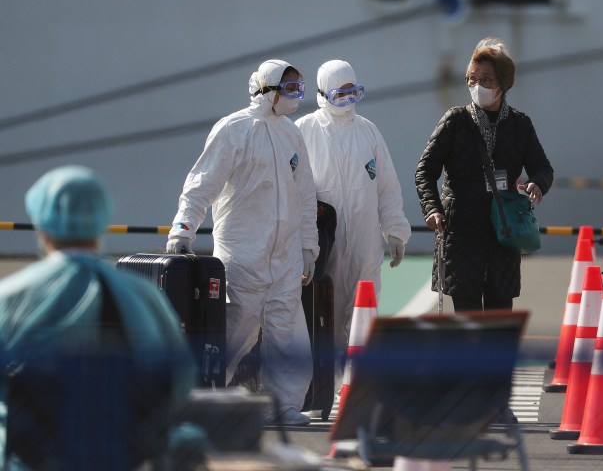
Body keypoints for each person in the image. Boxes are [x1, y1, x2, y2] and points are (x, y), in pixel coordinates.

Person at [0, 166, 196, 469]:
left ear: (40, 225)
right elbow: (179, 380)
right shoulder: (144, 295)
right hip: (126, 455)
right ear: (102, 220)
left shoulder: (11, 296)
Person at [166, 59, 319, 426]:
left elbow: (304, 194)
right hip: (243, 254)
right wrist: (182, 229)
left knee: (287, 335)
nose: (296, 96)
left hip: (284, 257)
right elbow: (202, 183)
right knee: (230, 335)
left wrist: (307, 246)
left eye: (300, 88)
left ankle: (283, 406)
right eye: (290, 88)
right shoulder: (233, 129)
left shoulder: (290, 133)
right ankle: (206, 402)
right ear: (267, 90)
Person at [294, 59, 411, 392]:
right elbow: (292, 188)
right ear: (323, 93)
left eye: (352, 92)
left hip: (364, 240)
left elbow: (386, 185)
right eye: (340, 93)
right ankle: (321, 390)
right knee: (323, 315)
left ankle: (361, 388)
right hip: (324, 240)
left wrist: (395, 230)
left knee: (364, 312)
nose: (347, 101)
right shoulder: (304, 130)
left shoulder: (368, 130)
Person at [415, 37, 554, 312]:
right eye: (472, 78)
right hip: (461, 234)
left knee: (499, 322)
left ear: (504, 84)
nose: (477, 85)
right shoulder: (455, 121)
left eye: (486, 79)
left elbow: (543, 167)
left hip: (503, 232)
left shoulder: (520, 125)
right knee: (465, 324)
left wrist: (538, 183)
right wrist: (432, 208)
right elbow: (425, 170)